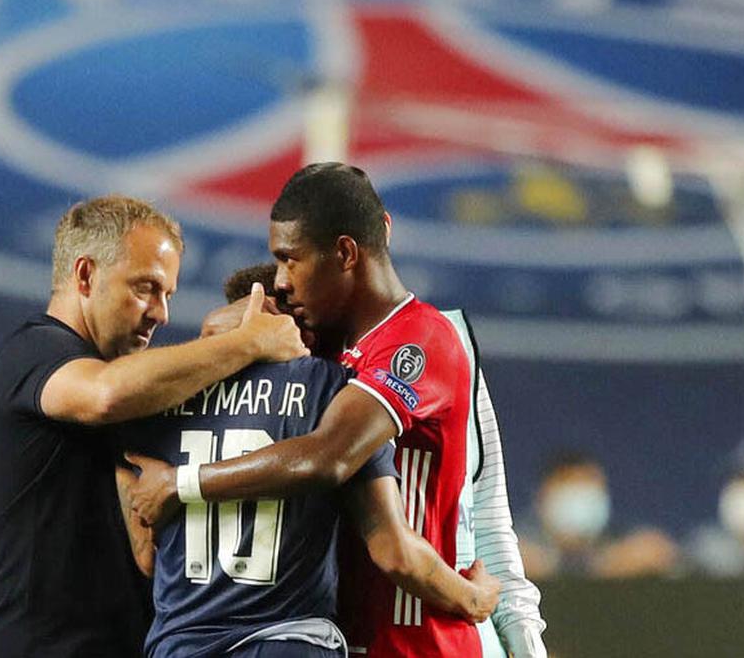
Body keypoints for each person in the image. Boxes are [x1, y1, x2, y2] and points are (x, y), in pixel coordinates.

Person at [126, 163, 544, 657]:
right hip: (345, 639)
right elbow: (223, 326)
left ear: (346, 253)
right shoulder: (319, 350)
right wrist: (234, 332)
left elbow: (333, 457)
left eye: (290, 260)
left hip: (421, 642)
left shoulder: (422, 339)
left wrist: (183, 483)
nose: (281, 281)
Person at [0, 195, 307, 658]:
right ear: (85, 275)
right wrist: (247, 343)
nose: (160, 313)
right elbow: (104, 394)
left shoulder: (137, 392)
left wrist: (222, 335)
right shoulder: (32, 353)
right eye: (146, 288)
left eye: (168, 294)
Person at [115, 266, 499, 657]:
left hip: (180, 645)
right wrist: (474, 597)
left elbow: (147, 557)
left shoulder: (156, 401)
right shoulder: (335, 393)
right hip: (288, 641)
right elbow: (393, 549)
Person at [519, 452, 678, 579]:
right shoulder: (514, 545)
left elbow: (659, 553)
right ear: (541, 497)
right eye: (568, 484)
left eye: (587, 485)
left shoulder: (624, 544)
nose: (579, 498)